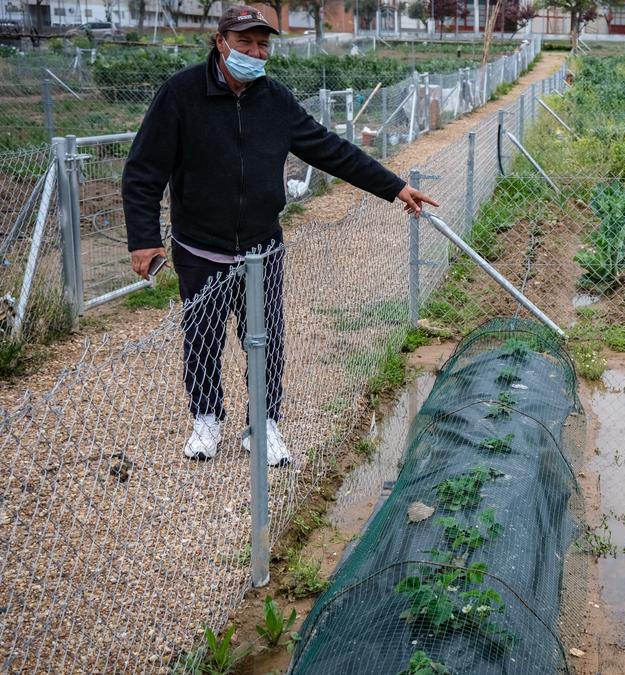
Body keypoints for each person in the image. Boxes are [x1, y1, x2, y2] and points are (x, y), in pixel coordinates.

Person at [122, 5, 437, 467]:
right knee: (202, 336)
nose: (254, 52)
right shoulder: (181, 94)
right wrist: (143, 238)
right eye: (245, 42)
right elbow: (143, 171)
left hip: (261, 246)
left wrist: (393, 187)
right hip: (199, 246)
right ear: (221, 41)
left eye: (262, 45)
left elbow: (331, 150)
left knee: (264, 337)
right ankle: (207, 418)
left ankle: (263, 424)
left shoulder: (274, 100)